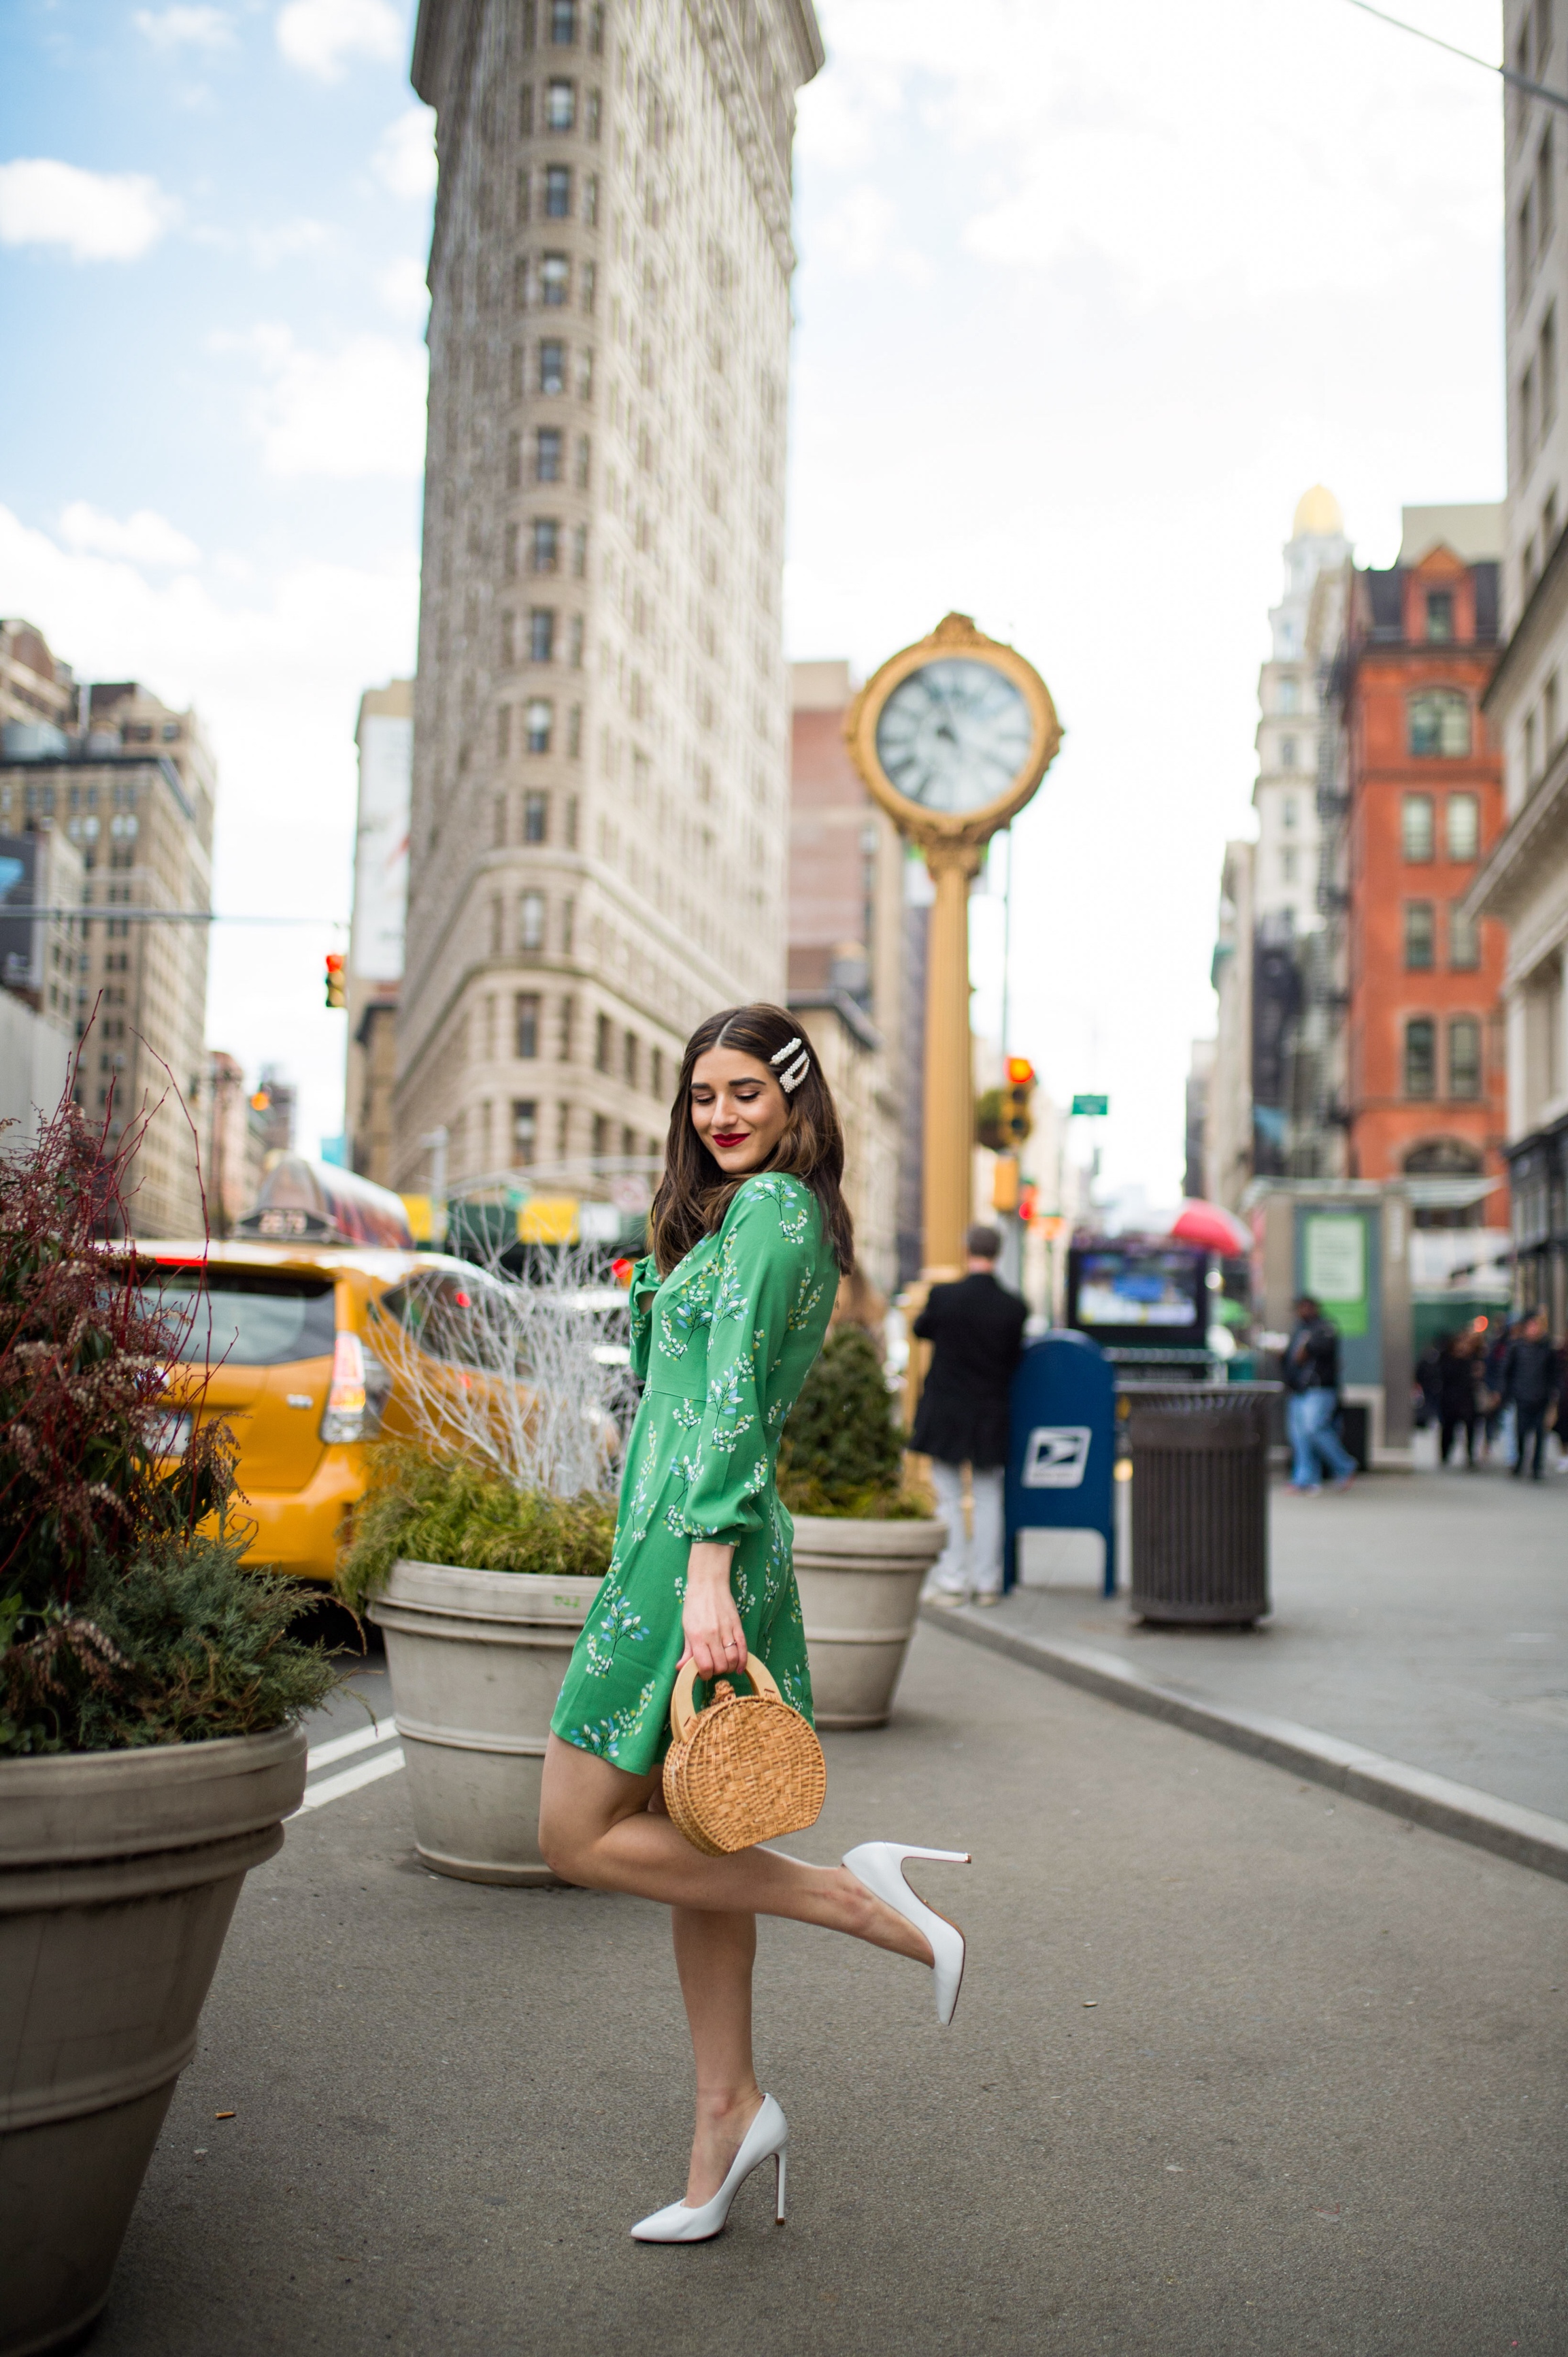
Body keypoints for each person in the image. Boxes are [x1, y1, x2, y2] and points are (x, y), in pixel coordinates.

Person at [538, 1004, 969, 2245]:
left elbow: (731, 1403)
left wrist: (706, 1575)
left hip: (696, 1547)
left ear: (794, 1098)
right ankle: (727, 2112)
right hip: (675, 1541)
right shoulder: (738, 1217)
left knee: (573, 1831)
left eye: (745, 1091)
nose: (720, 1114)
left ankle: (854, 1896)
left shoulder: (778, 1213)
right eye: (701, 1094)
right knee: (693, 1835)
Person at [910, 1223, 1028, 1604]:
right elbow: (1015, 1360)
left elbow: (920, 1328)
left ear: (967, 1251)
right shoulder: (1014, 1307)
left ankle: (953, 1579)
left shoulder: (944, 1297)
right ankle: (987, 1582)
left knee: (948, 1496)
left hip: (946, 1411)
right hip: (991, 1411)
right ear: (999, 1253)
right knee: (989, 1495)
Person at [1282, 1293, 1357, 1493]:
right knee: (1299, 1436)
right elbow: (1291, 1358)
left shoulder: (1325, 1328)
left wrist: (1306, 1347)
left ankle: (1345, 1466)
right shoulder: (1299, 1329)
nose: (1301, 1312)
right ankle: (1305, 1479)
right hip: (1298, 1389)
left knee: (1314, 1429)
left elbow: (1318, 1351)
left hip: (1319, 1389)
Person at [1503, 1308, 1559, 1481]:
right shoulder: (1517, 1348)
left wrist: (1553, 1397)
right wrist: (1509, 1393)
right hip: (1521, 1397)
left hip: (1541, 1398)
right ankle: (1520, 1462)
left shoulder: (1548, 1349)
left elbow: (1554, 1375)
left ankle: (1536, 1467)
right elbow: (1508, 1371)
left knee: (1540, 1435)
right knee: (1520, 1432)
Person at [1437, 1331, 1483, 1470]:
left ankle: (1470, 1455)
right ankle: (1445, 1454)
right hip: (1450, 1400)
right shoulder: (1446, 1359)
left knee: (1470, 1428)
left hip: (1467, 1399)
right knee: (1448, 1429)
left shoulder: (1473, 1360)